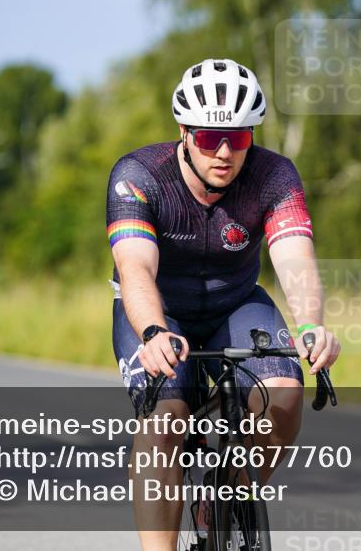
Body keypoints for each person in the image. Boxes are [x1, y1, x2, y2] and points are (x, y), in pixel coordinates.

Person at [106, 58, 340, 550]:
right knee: (167, 417)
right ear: (185, 132)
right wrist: (151, 332)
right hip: (160, 311)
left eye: (240, 136)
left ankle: (227, 495)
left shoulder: (274, 176)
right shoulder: (139, 175)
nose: (226, 151)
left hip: (236, 304)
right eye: (211, 138)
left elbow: (294, 257)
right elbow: (136, 269)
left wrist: (312, 325)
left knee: (284, 392)